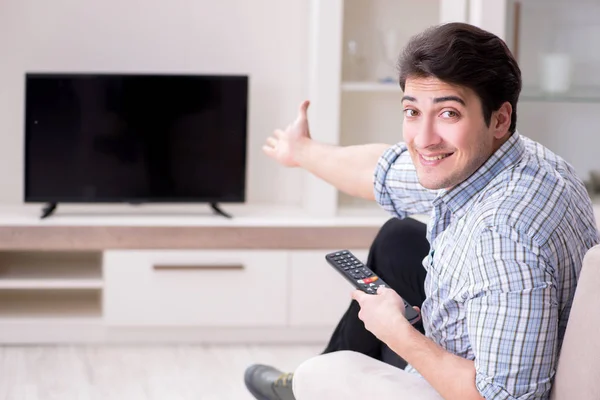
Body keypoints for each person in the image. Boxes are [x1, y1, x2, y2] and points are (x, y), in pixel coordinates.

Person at [244, 22, 600, 400]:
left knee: (325, 371)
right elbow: (380, 171)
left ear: (499, 118)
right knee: (397, 240)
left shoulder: (503, 237)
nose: (424, 138)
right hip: (504, 325)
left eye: (448, 113)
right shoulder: (517, 155)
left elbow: (503, 397)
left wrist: (396, 331)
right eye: (412, 111)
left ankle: (305, 386)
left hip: (481, 386)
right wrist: (301, 151)